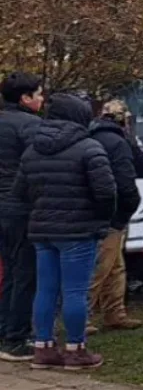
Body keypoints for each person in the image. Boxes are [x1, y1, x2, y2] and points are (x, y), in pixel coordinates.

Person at [13, 93, 116, 371]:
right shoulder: (89, 148)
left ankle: (43, 347)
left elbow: (19, 192)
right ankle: (75, 349)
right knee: (75, 291)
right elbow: (106, 193)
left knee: (45, 289)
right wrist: (101, 219)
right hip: (78, 232)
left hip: (42, 231)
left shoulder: (32, 150)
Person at [87, 101, 142, 334]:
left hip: (97, 211)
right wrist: (130, 206)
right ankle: (83, 316)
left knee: (116, 266)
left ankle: (115, 312)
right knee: (100, 267)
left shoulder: (91, 137)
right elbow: (125, 180)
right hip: (112, 214)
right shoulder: (118, 143)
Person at [0, 72, 44, 362]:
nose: (42, 99)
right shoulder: (31, 125)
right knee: (24, 272)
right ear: (25, 98)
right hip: (19, 208)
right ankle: (15, 338)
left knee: (9, 270)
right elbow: (36, 168)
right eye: (39, 94)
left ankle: (5, 329)